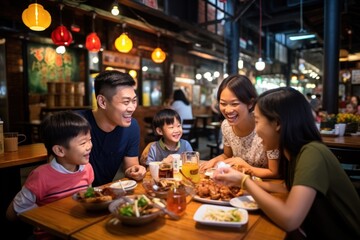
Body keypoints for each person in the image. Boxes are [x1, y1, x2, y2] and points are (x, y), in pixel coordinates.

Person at [213, 87, 360, 239]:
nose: (255, 131)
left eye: (257, 121)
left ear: (277, 123)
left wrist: (244, 182)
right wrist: (237, 180)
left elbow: (290, 219)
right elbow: (285, 187)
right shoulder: (293, 153)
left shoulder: (312, 153)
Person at [6, 111, 94, 238]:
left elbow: (89, 199)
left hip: (78, 230)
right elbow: (11, 214)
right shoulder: (41, 176)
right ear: (59, 150)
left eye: (89, 140)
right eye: (82, 143)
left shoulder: (87, 168)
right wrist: (40, 214)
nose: (89, 146)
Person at [200, 74, 279, 179]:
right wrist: (212, 161)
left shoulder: (264, 126)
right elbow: (227, 155)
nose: (228, 110)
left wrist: (244, 166)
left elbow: (274, 172)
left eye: (234, 104)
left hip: (265, 186)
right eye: (223, 103)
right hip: (238, 185)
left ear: (250, 103)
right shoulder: (226, 125)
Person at [78, 70, 146, 187]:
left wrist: (135, 170)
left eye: (134, 101)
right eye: (126, 102)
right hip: (75, 194)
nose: (132, 108)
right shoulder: (76, 123)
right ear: (102, 102)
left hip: (108, 193)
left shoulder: (132, 127)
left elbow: (130, 166)